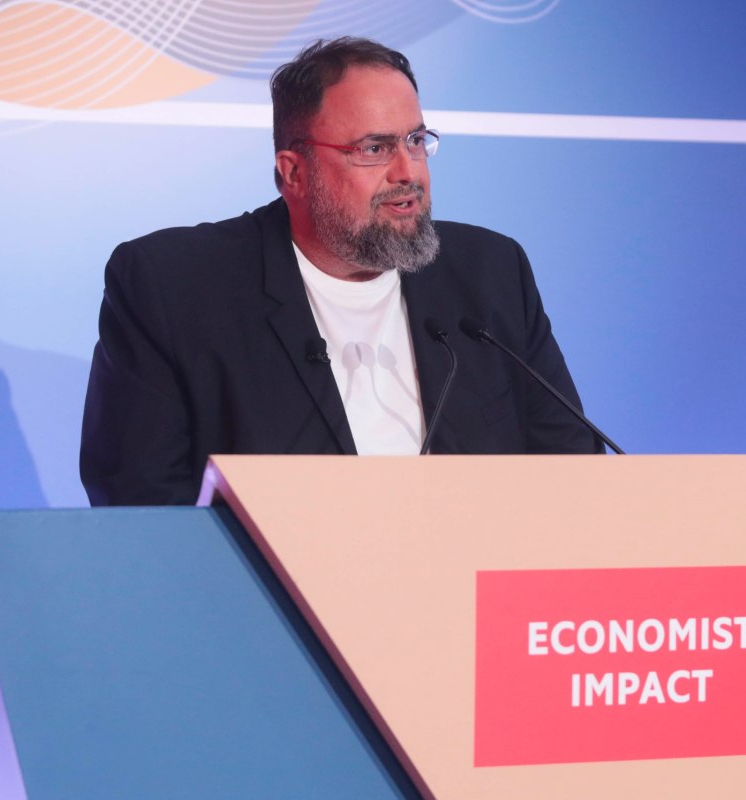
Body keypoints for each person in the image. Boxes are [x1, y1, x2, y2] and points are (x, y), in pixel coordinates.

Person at [80, 37, 601, 506]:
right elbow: (141, 506)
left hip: (473, 576)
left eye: (416, 141)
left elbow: (572, 470)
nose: (408, 172)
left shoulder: (489, 272)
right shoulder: (176, 286)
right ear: (294, 172)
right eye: (374, 149)